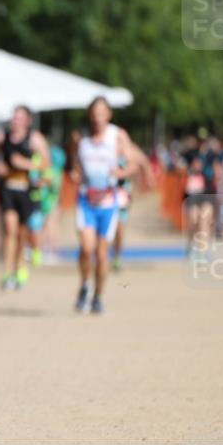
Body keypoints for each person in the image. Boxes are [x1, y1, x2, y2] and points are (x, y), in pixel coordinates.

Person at [69, 97, 138, 314]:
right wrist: (75, 173)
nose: (98, 117)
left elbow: (133, 163)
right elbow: (76, 165)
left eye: (102, 112)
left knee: (101, 254)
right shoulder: (82, 139)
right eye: (95, 112)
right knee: (86, 248)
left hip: (109, 202)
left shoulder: (117, 136)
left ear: (108, 115)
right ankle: (84, 286)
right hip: (87, 201)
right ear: (91, 115)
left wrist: (121, 173)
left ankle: (98, 296)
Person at [0, 106, 51, 290]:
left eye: (20, 117)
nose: (15, 120)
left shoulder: (35, 139)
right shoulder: (3, 138)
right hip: (8, 189)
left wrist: (24, 164)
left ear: (28, 120)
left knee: (21, 233)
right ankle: (7, 272)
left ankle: (20, 267)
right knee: (10, 230)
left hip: (26, 191)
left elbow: (46, 164)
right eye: (14, 117)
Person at [111, 142, 153, 272]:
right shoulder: (105, 146)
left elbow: (143, 162)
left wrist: (148, 177)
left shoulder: (130, 149)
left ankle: (117, 257)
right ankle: (101, 255)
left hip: (123, 194)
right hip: (104, 193)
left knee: (120, 227)